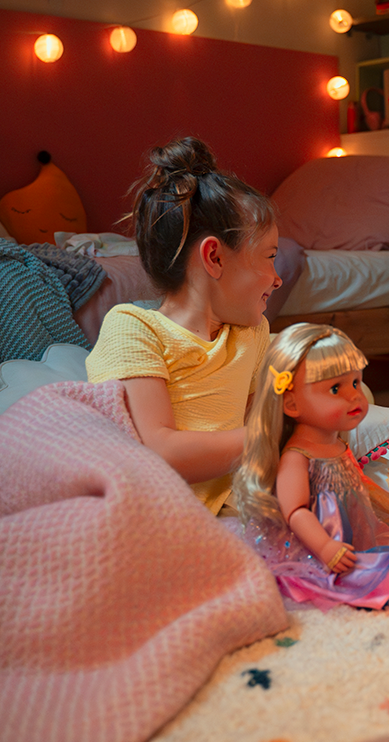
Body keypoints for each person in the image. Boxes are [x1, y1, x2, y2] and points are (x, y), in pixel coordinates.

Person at [86, 137, 281, 515]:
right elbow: (161, 452)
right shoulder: (133, 328)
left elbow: (260, 428)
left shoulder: (251, 333)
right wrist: (275, 434)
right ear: (214, 258)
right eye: (270, 257)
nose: (278, 278)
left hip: (229, 509)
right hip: (148, 512)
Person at [233, 324, 389, 610]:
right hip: (320, 541)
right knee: (346, 571)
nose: (355, 396)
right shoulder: (296, 456)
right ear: (291, 403)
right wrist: (324, 547)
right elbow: (295, 512)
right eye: (336, 388)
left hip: (357, 527)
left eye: (356, 383)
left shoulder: (339, 445)